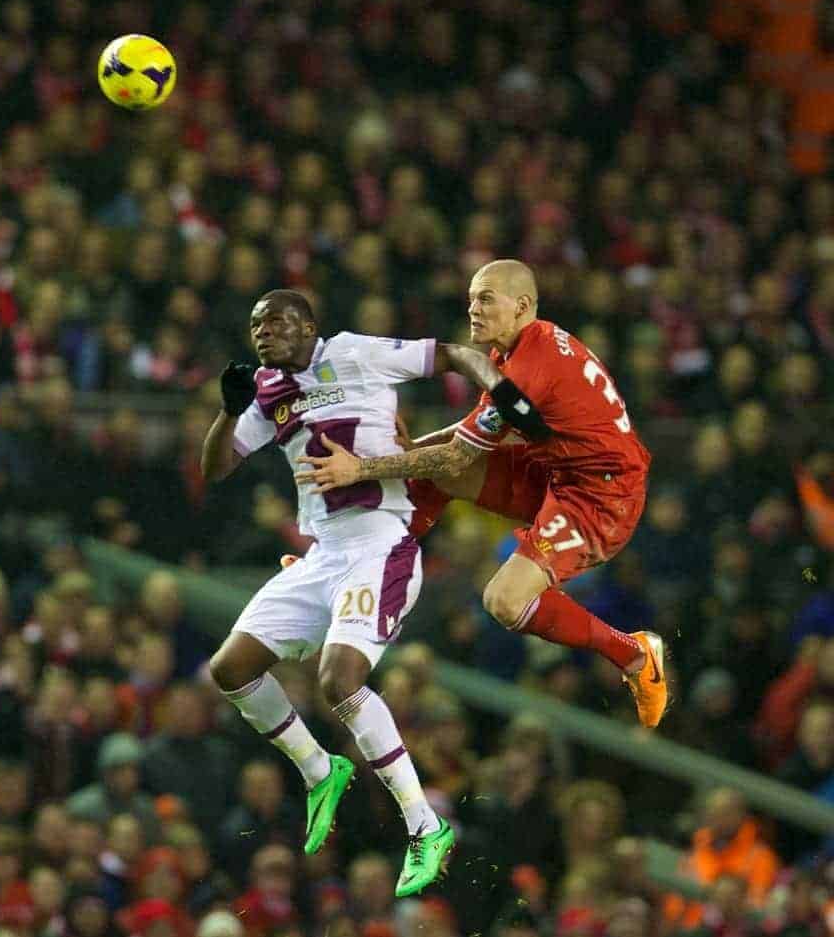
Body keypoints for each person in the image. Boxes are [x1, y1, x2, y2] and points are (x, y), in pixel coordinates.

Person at [202, 289, 536, 897]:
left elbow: (457, 354)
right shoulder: (269, 393)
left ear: (310, 324)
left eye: (276, 321)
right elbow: (215, 468)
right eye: (255, 325)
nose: (264, 333)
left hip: (379, 544)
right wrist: (228, 412)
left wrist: (503, 390)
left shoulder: (356, 353)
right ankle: (318, 769)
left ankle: (425, 824)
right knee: (231, 668)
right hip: (320, 556)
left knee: (339, 681)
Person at [295, 260, 668, 729]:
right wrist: (417, 450)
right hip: (556, 469)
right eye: (472, 297)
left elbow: (456, 456)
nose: (473, 308)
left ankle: (634, 654)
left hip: (601, 497)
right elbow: (466, 443)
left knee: (505, 601)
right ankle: (353, 563)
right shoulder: (515, 349)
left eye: (486, 298)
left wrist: (362, 468)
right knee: (429, 472)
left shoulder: (530, 367)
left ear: (523, 306)